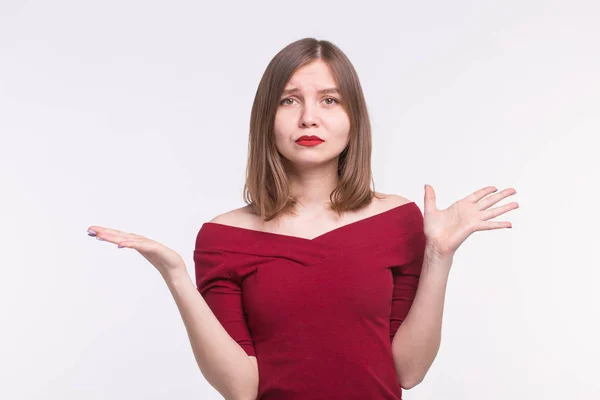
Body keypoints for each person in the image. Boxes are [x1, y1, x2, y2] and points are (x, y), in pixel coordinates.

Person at [87, 37, 518, 400]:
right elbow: (241, 387)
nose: (308, 116)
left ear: (353, 119)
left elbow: (408, 370)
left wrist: (439, 255)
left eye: (329, 100)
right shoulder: (223, 237)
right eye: (289, 100)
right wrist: (176, 275)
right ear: (267, 119)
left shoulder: (398, 220)